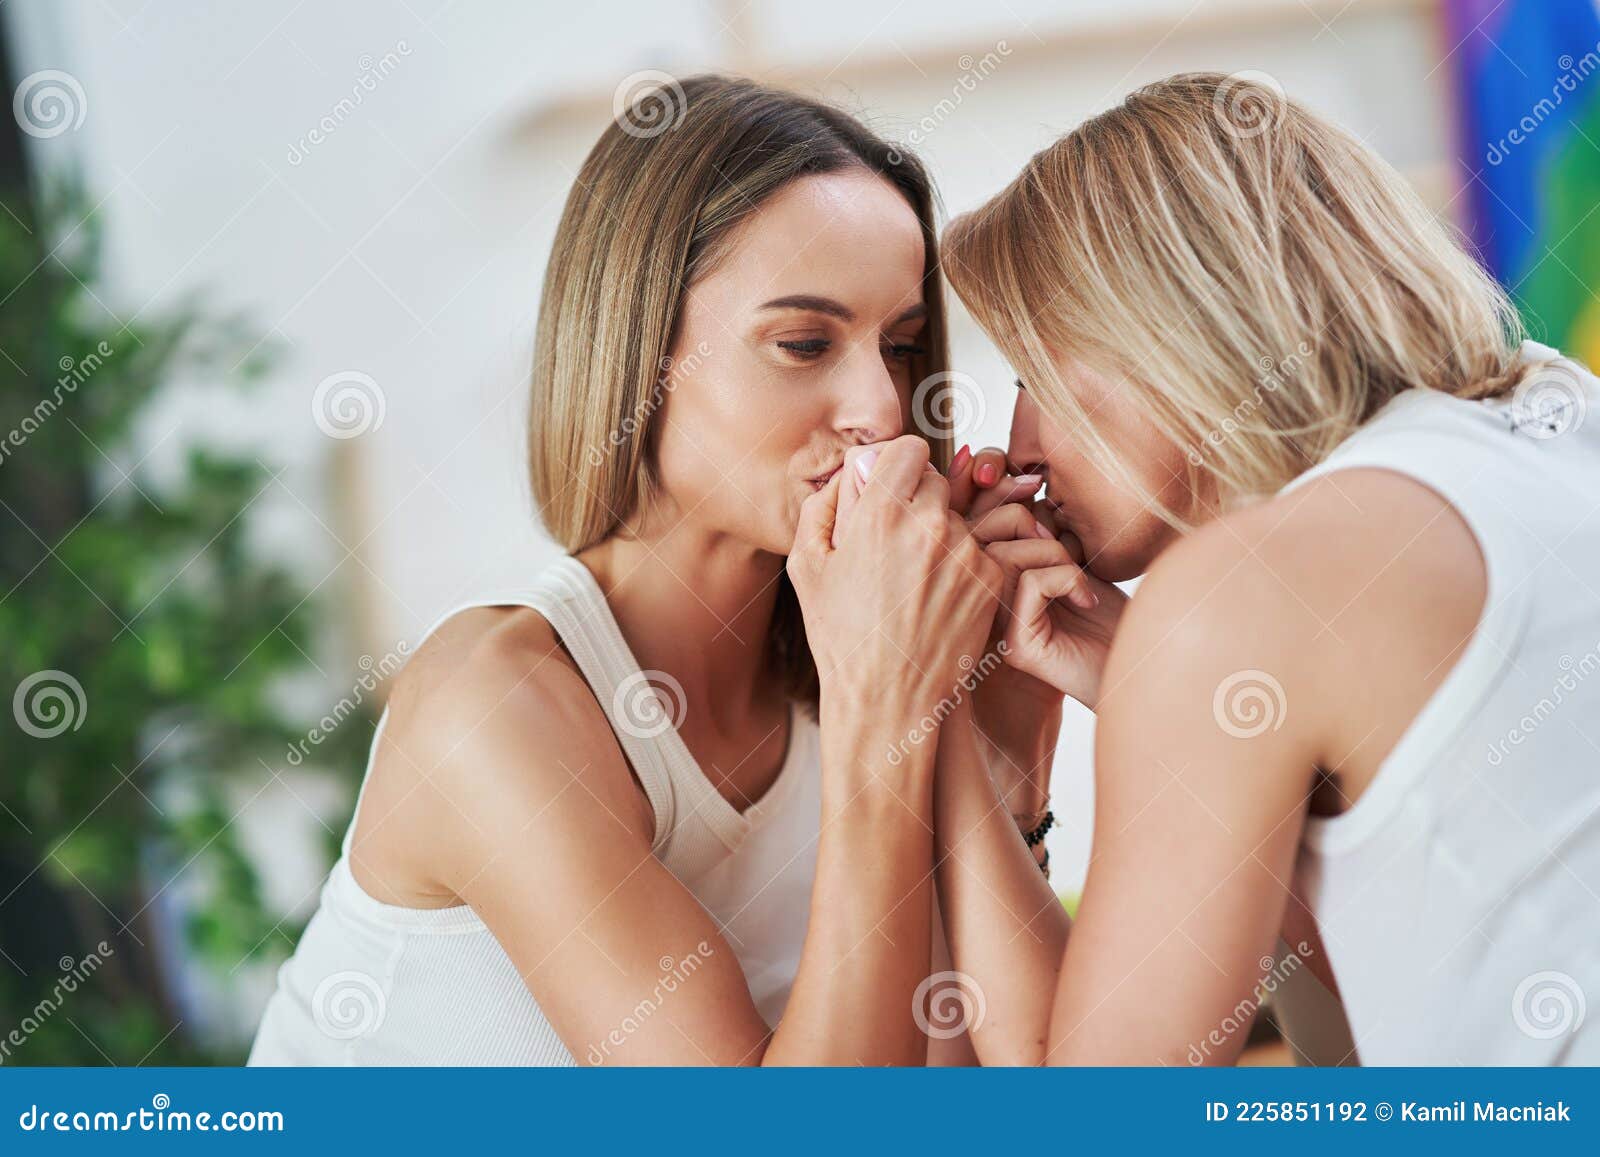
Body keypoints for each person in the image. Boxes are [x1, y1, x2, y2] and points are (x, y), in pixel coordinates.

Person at [249, 75, 1004, 1066]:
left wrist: (999, 739)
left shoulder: (855, 673)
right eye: (803, 342)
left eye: (900, 346)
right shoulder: (493, 699)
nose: (878, 405)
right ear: (639, 351)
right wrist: (887, 717)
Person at [931, 71, 1600, 1065]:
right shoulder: (1556, 410)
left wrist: (931, 712)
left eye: (1033, 370)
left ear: (1160, 323)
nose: (1018, 447)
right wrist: (1153, 693)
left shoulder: (1241, 595)